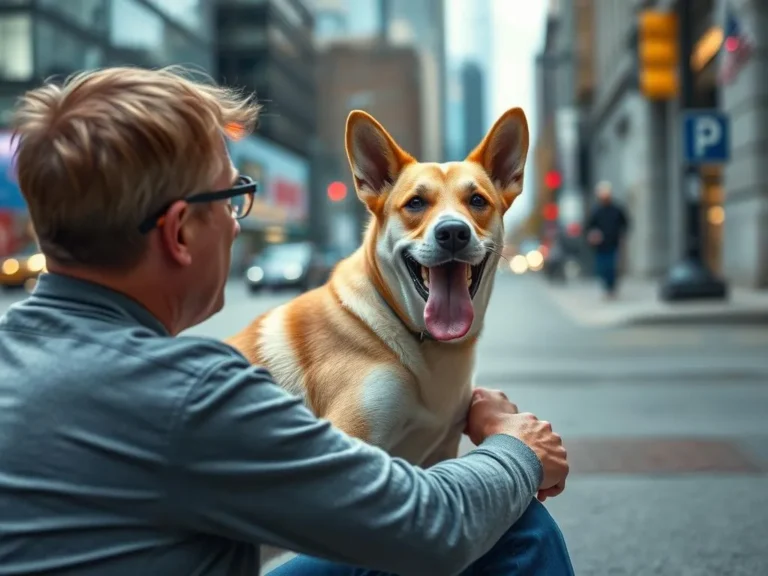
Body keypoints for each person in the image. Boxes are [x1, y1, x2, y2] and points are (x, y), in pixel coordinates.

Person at [0, 66, 573, 576]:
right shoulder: (193, 396)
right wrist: (515, 447)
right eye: (232, 199)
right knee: (517, 529)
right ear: (178, 232)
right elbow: (427, 528)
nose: (234, 224)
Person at [586, 181, 629, 299]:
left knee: (612, 268)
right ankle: (606, 288)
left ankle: (611, 289)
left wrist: (621, 236)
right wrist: (592, 236)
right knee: (602, 268)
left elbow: (625, 223)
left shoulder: (616, 210)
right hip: (600, 246)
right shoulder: (596, 211)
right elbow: (589, 227)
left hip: (613, 244)